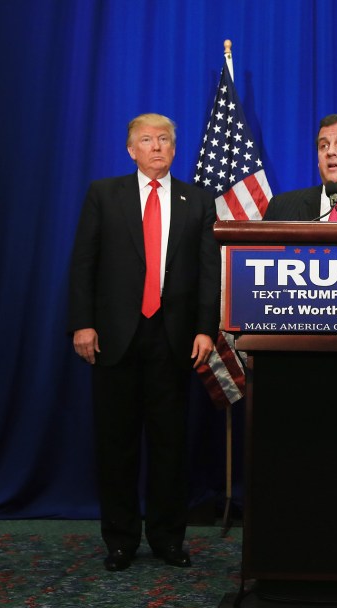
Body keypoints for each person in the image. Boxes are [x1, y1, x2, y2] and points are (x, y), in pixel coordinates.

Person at [67, 113, 220, 571]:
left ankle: (168, 538)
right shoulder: (103, 194)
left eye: (165, 139)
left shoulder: (198, 200)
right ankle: (120, 540)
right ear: (131, 150)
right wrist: (82, 323)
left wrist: (205, 328)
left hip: (174, 339)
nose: (157, 147)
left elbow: (209, 271)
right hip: (114, 338)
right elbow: (84, 263)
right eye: (147, 140)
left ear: (174, 148)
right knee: (116, 444)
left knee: (170, 445)